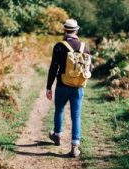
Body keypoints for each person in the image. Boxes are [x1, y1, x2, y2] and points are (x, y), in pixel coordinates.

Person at [46, 19, 89, 157]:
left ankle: (57, 135)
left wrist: (48, 87)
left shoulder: (59, 46)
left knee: (59, 110)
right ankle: (75, 146)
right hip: (78, 87)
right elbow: (89, 68)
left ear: (65, 30)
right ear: (76, 30)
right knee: (75, 115)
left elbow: (53, 68)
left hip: (62, 85)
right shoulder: (84, 46)